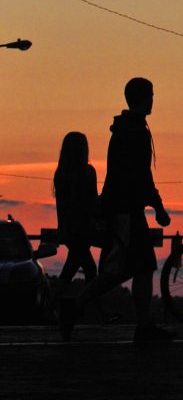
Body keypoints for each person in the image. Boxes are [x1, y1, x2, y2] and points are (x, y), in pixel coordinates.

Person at [59, 77, 175, 345]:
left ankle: (142, 325)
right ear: (144, 98)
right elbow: (141, 175)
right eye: (152, 95)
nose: (154, 100)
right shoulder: (135, 131)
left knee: (141, 266)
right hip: (125, 211)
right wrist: (158, 206)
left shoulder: (124, 129)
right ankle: (75, 307)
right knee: (121, 270)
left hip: (123, 208)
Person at [53, 132, 100, 291]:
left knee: (74, 267)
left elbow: (61, 205)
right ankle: (86, 307)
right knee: (87, 269)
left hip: (70, 229)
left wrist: (62, 228)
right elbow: (93, 201)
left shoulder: (61, 174)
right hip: (84, 228)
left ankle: (55, 302)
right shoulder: (88, 172)